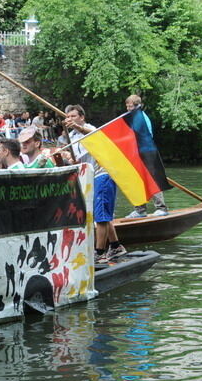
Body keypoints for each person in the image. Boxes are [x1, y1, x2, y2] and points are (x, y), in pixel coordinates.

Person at [65, 104, 126, 263]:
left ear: (82, 117)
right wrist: (71, 159)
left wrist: (79, 127)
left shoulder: (89, 129)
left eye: (74, 116)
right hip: (89, 177)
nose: (71, 119)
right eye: (69, 117)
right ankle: (116, 245)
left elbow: (98, 135)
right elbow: (78, 157)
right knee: (103, 214)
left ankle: (99, 252)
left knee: (101, 217)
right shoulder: (72, 136)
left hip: (103, 174)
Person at [124, 95, 168, 218]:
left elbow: (137, 136)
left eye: (130, 106)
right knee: (137, 180)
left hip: (147, 152)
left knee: (151, 179)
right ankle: (140, 210)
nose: (128, 109)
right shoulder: (132, 118)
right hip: (137, 153)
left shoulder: (140, 118)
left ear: (137, 106)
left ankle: (161, 208)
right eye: (127, 106)